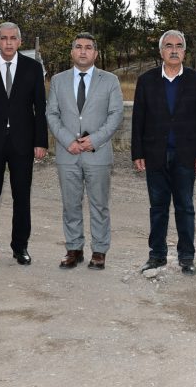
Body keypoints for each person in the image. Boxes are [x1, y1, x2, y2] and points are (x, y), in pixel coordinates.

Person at [131, 30, 196, 276]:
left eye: (179, 46)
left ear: (184, 52)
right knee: (158, 208)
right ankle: (156, 255)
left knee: (185, 207)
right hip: (154, 155)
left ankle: (186, 257)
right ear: (161, 52)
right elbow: (138, 119)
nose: (174, 50)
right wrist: (137, 152)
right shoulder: (146, 81)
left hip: (186, 156)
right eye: (169, 46)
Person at [0, 22, 48, 267]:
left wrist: (40, 141)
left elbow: (40, 107)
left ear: (20, 42)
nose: (9, 42)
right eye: (4, 38)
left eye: (13, 38)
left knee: (21, 198)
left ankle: (20, 247)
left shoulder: (33, 68)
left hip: (23, 143)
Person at [46, 33, 123, 270]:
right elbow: (52, 114)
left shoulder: (110, 80)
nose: (83, 51)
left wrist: (95, 140)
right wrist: (67, 140)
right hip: (67, 152)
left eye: (88, 47)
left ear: (95, 53)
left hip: (97, 153)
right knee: (71, 204)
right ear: (72, 52)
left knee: (99, 204)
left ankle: (99, 251)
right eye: (78, 47)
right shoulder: (58, 80)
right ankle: (74, 249)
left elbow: (116, 114)